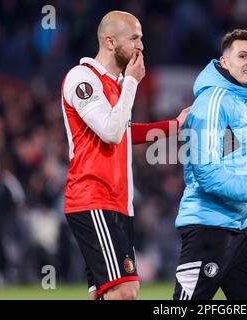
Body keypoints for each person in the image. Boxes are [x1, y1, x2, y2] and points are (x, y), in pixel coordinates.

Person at [60, 11, 189, 300]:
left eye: (141, 38)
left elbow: (126, 131)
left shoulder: (116, 86)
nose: (140, 46)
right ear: (109, 41)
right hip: (92, 197)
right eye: (134, 38)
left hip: (117, 202)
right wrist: (131, 82)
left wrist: (176, 124)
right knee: (126, 291)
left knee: (104, 294)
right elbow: (112, 131)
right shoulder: (82, 78)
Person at [173, 29, 247, 300]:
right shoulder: (213, 101)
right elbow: (208, 173)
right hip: (208, 229)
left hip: (240, 229)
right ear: (224, 62)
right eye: (243, 56)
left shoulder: (242, 100)